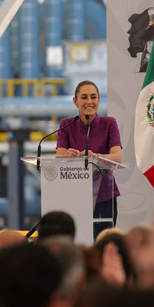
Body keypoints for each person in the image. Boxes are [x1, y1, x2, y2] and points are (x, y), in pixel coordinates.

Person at [56, 81, 122, 238]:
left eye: (93, 97)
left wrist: (96, 157)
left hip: (104, 194)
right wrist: (67, 156)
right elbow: (59, 156)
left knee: (102, 241)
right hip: (74, 193)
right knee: (77, 239)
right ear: (75, 101)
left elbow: (117, 157)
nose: (89, 101)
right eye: (84, 97)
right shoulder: (66, 124)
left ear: (99, 100)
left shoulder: (109, 123)